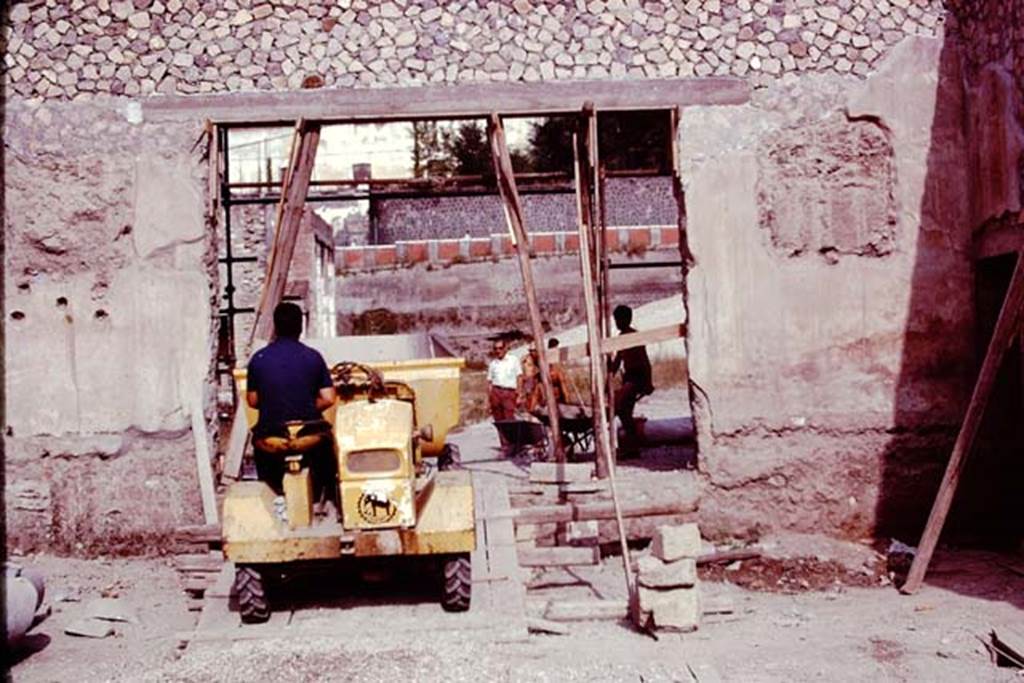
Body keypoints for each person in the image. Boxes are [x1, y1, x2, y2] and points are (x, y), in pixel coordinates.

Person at [246, 302, 338, 502]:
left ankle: (274, 500)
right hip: (308, 437)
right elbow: (329, 398)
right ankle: (327, 501)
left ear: (275, 326)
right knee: (328, 451)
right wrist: (305, 406)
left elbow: (252, 401)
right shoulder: (313, 357)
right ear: (301, 326)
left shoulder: (258, 359)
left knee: (267, 473)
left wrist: (277, 403)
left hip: (272, 437)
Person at [609, 304, 653, 458]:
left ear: (626, 319)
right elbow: (618, 360)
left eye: (618, 319)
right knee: (624, 412)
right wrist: (609, 372)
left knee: (619, 406)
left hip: (637, 377)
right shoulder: (622, 337)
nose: (616, 322)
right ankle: (632, 447)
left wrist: (648, 382)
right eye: (615, 319)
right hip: (629, 377)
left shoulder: (634, 336)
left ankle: (631, 447)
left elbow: (645, 360)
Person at [487, 337, 521, 449]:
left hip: (509, 392)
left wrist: (519, 394)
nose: (498, 351)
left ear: (505, 348)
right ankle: (505, 446)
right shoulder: (493, 364)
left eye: (500, 348)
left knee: (509, 419)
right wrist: (489, 399)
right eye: (495, 349)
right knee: (499, 421)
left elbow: (519, 377)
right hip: (496, 392)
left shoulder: (513, 360)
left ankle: (514, 444)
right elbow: (489, 382)